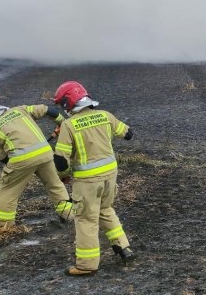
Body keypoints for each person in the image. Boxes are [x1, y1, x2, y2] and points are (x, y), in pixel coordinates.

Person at [51, 81, 136, 276]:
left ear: (68, 103)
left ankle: (87, 265)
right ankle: (124, 248)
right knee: (106, 209)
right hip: (110, 177)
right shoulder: (105, 116)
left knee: (86, 221)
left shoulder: (69, 125)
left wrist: (63, 177)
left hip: (87, 182)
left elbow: (61, 161)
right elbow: (128, 134)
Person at [0, 98, 74, 227]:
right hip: (45, 153)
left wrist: (19, 172)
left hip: (20, 161)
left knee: (7, 191)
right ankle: (70, 215)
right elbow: (49, 110)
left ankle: (3, 225)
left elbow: (3, 158)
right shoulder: (20, 110)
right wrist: (62, 123)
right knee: (55, 185)